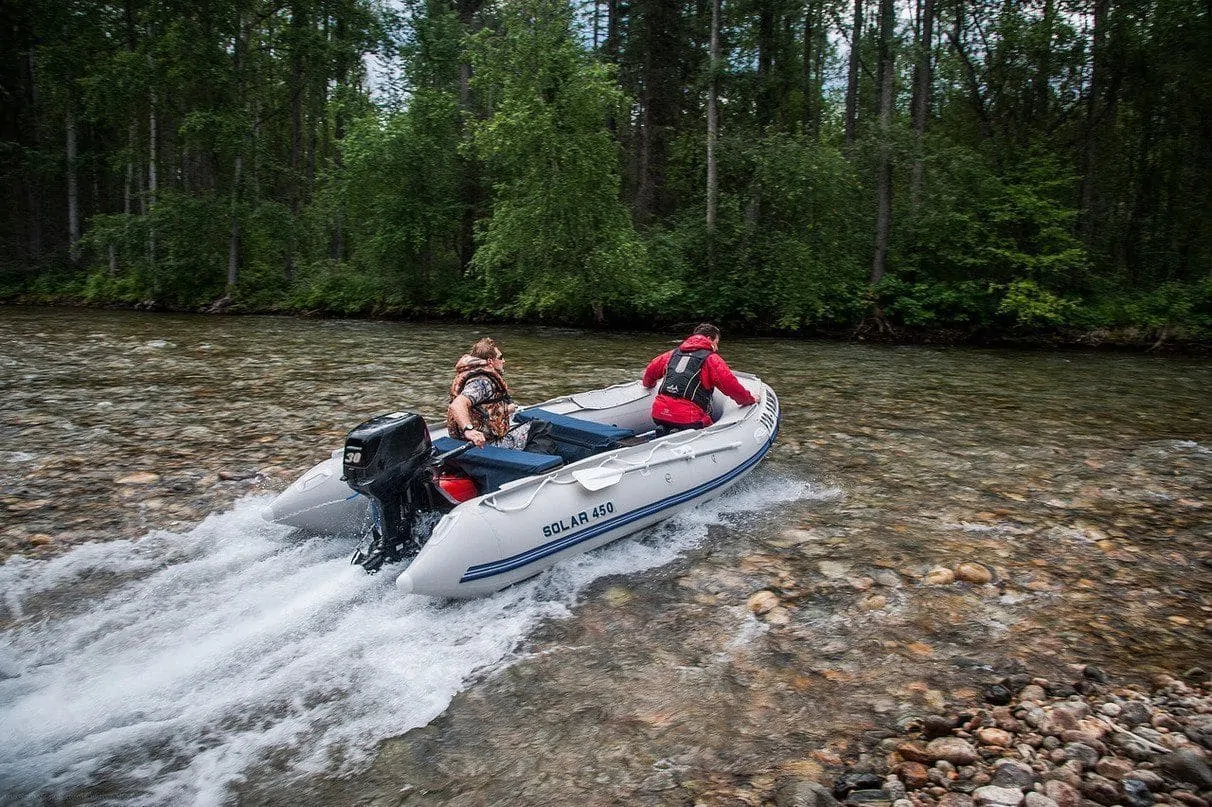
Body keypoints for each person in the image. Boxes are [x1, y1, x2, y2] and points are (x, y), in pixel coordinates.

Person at [642, 323, 757, 430]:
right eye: (716, 342)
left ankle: (666, 430)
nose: (716, 347)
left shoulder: (672, 354)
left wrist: (650, 384)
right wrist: (749, 399)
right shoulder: (711, 359)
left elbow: (650, 372)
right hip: (690, 418)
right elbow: (730, 385)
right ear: (709, 339)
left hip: (659, 414)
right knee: (710, 426)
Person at [446, 337, 530, 449]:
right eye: (500, 357)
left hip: (464, 441)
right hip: (486, 444)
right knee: (539, 428)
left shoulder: (470, 374)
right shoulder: (483, 382)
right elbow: (457, 404)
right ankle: (538, 463)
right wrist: (469, 430)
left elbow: (481, 410)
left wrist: (506, 409)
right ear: (490, 361)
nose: (504, 361)